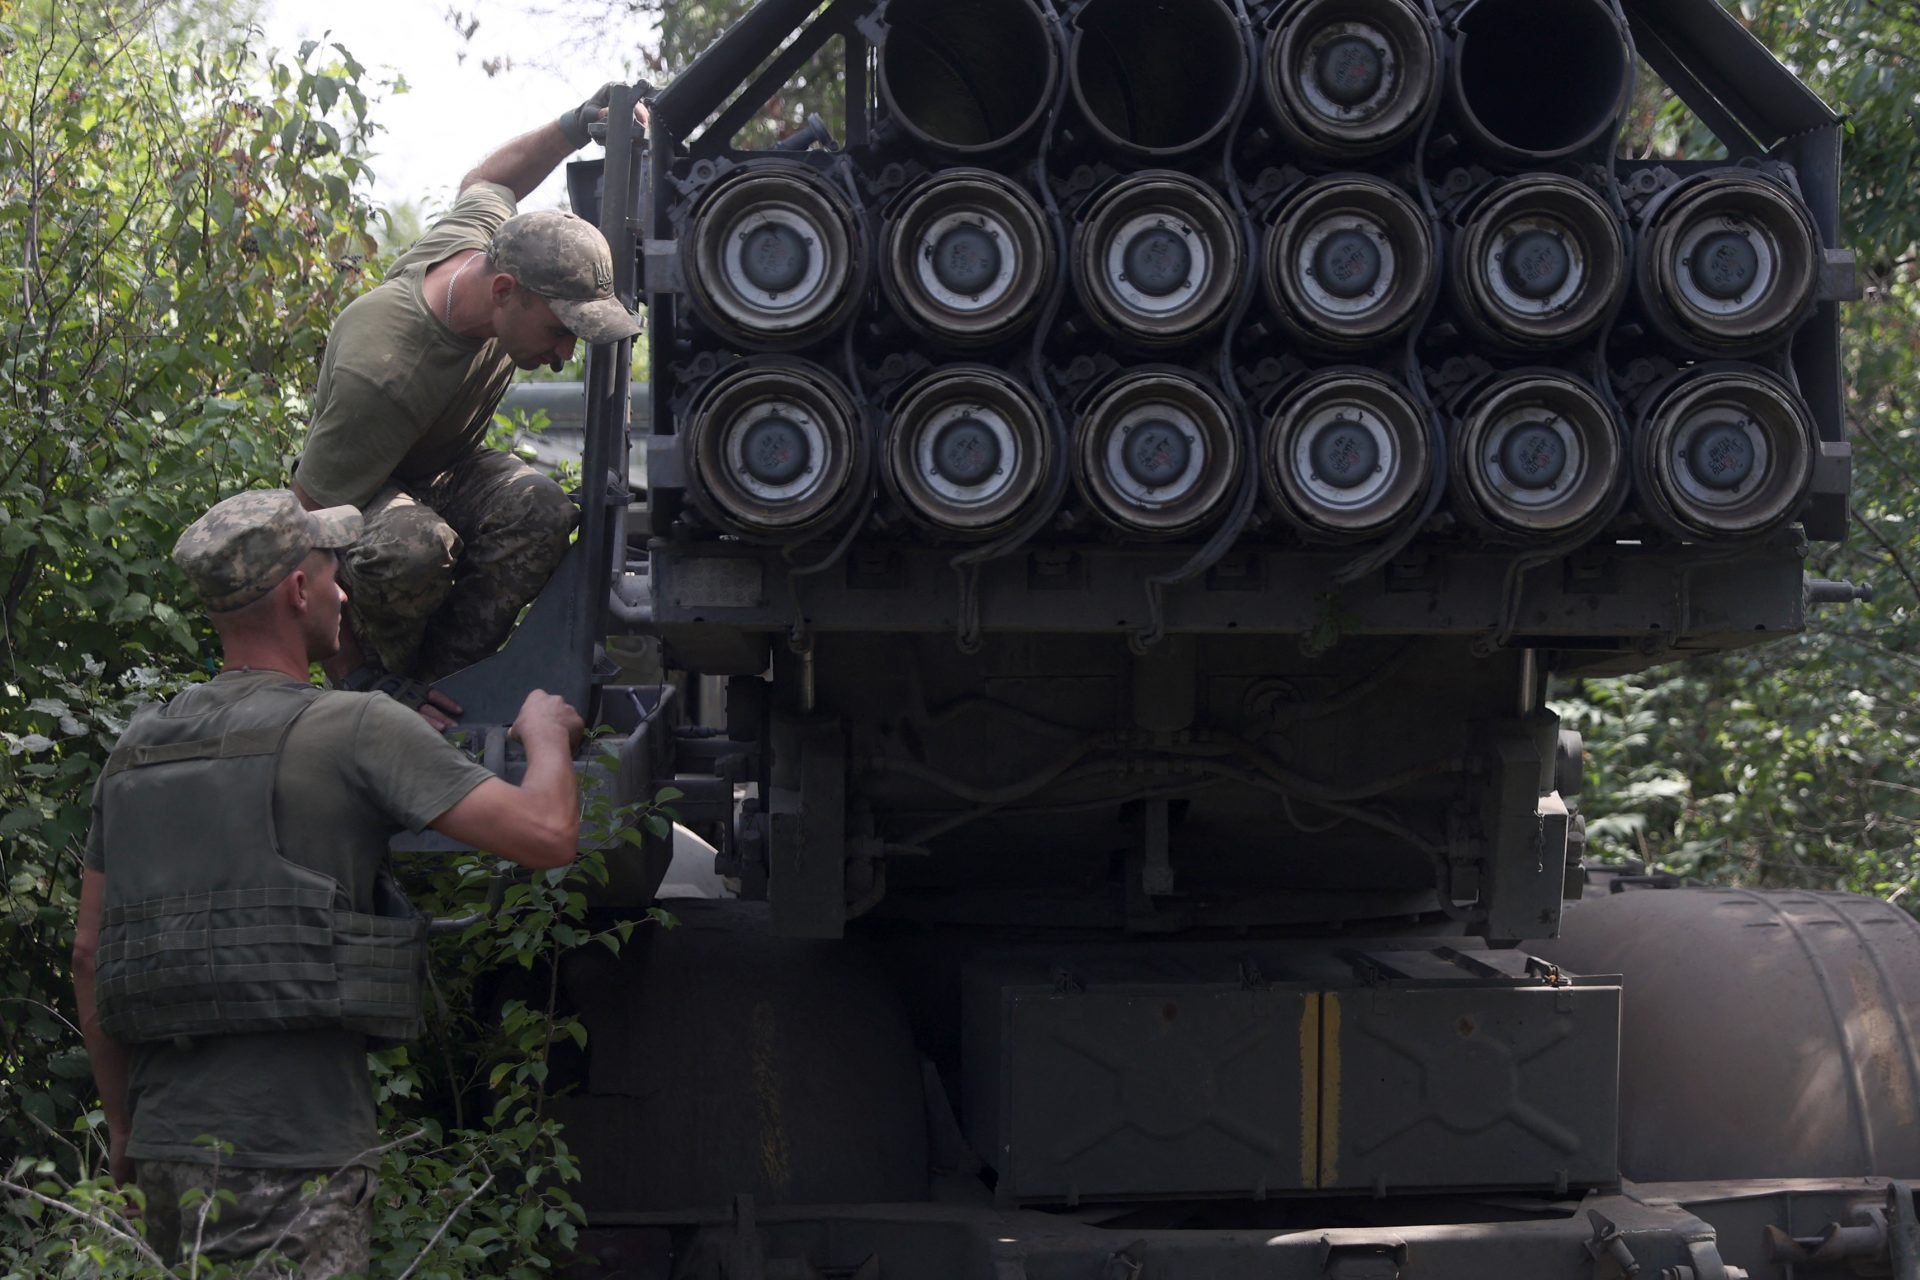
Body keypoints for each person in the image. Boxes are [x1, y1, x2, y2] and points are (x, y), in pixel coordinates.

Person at [72, 488, 587, 1277]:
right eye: (332, 572)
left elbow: (88, 955)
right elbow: (546, 836)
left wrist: (122, 1131)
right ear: (299, 591)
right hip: (295, 1150)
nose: (346, 592)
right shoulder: (356, 726)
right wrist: (545, 736)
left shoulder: (139, 748)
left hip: (166, 1147)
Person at [294, 85, 645, 701]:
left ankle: (444, 687)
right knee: (413, 549)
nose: (565, 354)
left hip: (441, 467)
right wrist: (352, 672)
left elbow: (490, 180)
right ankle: (378, 696)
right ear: (506, 291)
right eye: (561, 331)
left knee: (541, 510)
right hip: (361, 491)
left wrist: (571, 125)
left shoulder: (484, 240)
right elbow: (304, 527)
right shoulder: (383, 370)